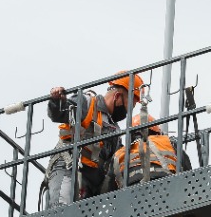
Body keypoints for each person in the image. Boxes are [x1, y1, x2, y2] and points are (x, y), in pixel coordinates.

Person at [42, 73, 143, 208]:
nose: (128, 111)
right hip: (68, 167)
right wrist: (57, 101)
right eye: (129, 105)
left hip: (92, 182)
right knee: (60, 210)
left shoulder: (115, 130)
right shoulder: (87, 103)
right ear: (117, 97)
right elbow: (59, 113)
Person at [111, 109, 192, 188]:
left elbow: (107, 186)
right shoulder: (168, 142)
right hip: (165, 184)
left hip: (130, 192)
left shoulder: (119, 153)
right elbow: (188, 171)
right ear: (156, 131)